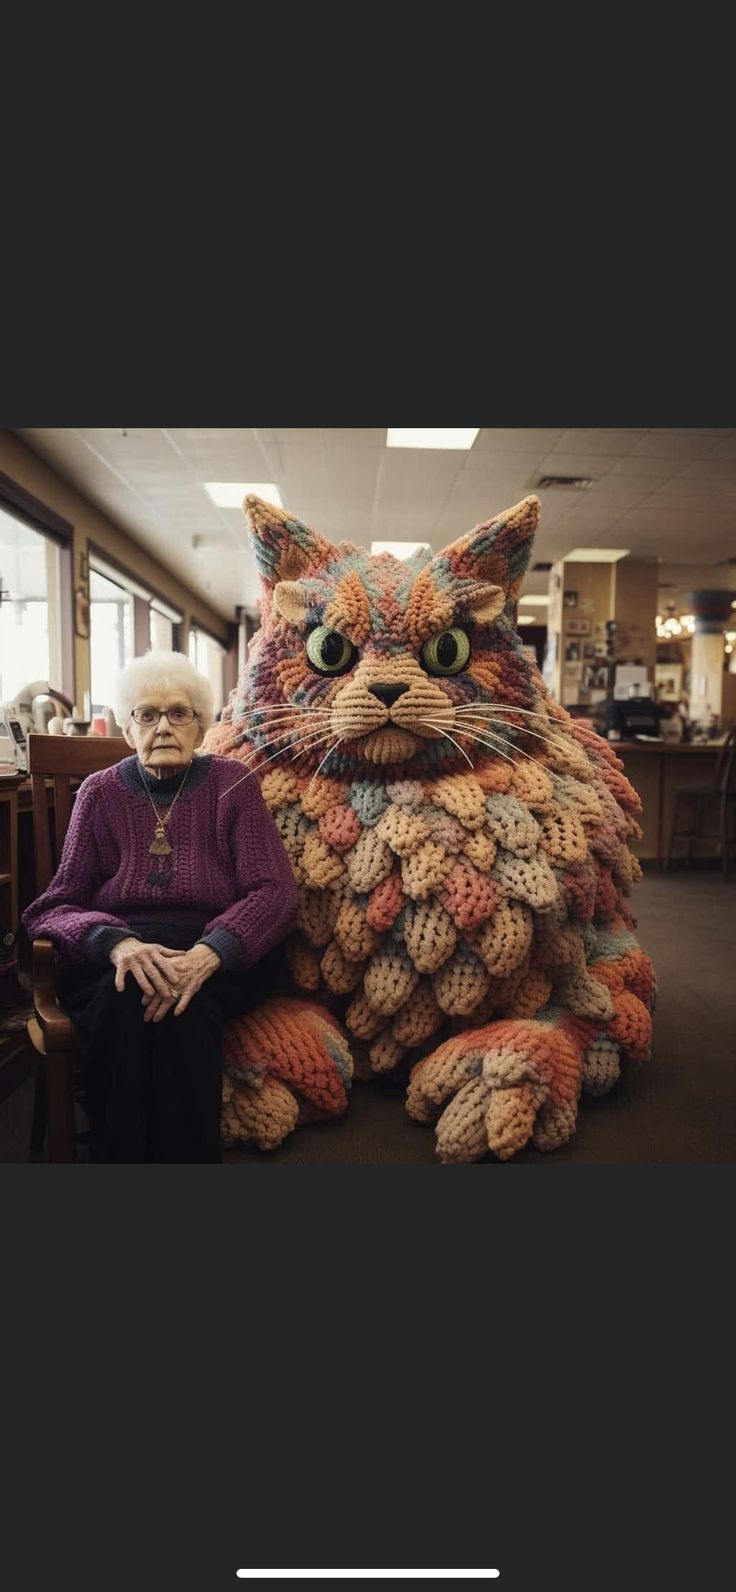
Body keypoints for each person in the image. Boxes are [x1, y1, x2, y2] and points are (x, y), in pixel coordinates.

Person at [22, 650, 298, 1163]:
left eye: (179, 713)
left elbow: (274, 891)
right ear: (128, 729)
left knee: (184, 1005)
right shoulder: (98, 794)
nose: (163, 727)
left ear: (200, 726)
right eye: (147, 715)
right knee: (126, 995)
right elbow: (54, 905)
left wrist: (209, 953)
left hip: (215, 951)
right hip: (121, 954)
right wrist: (117, 943)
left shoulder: (233, 784)